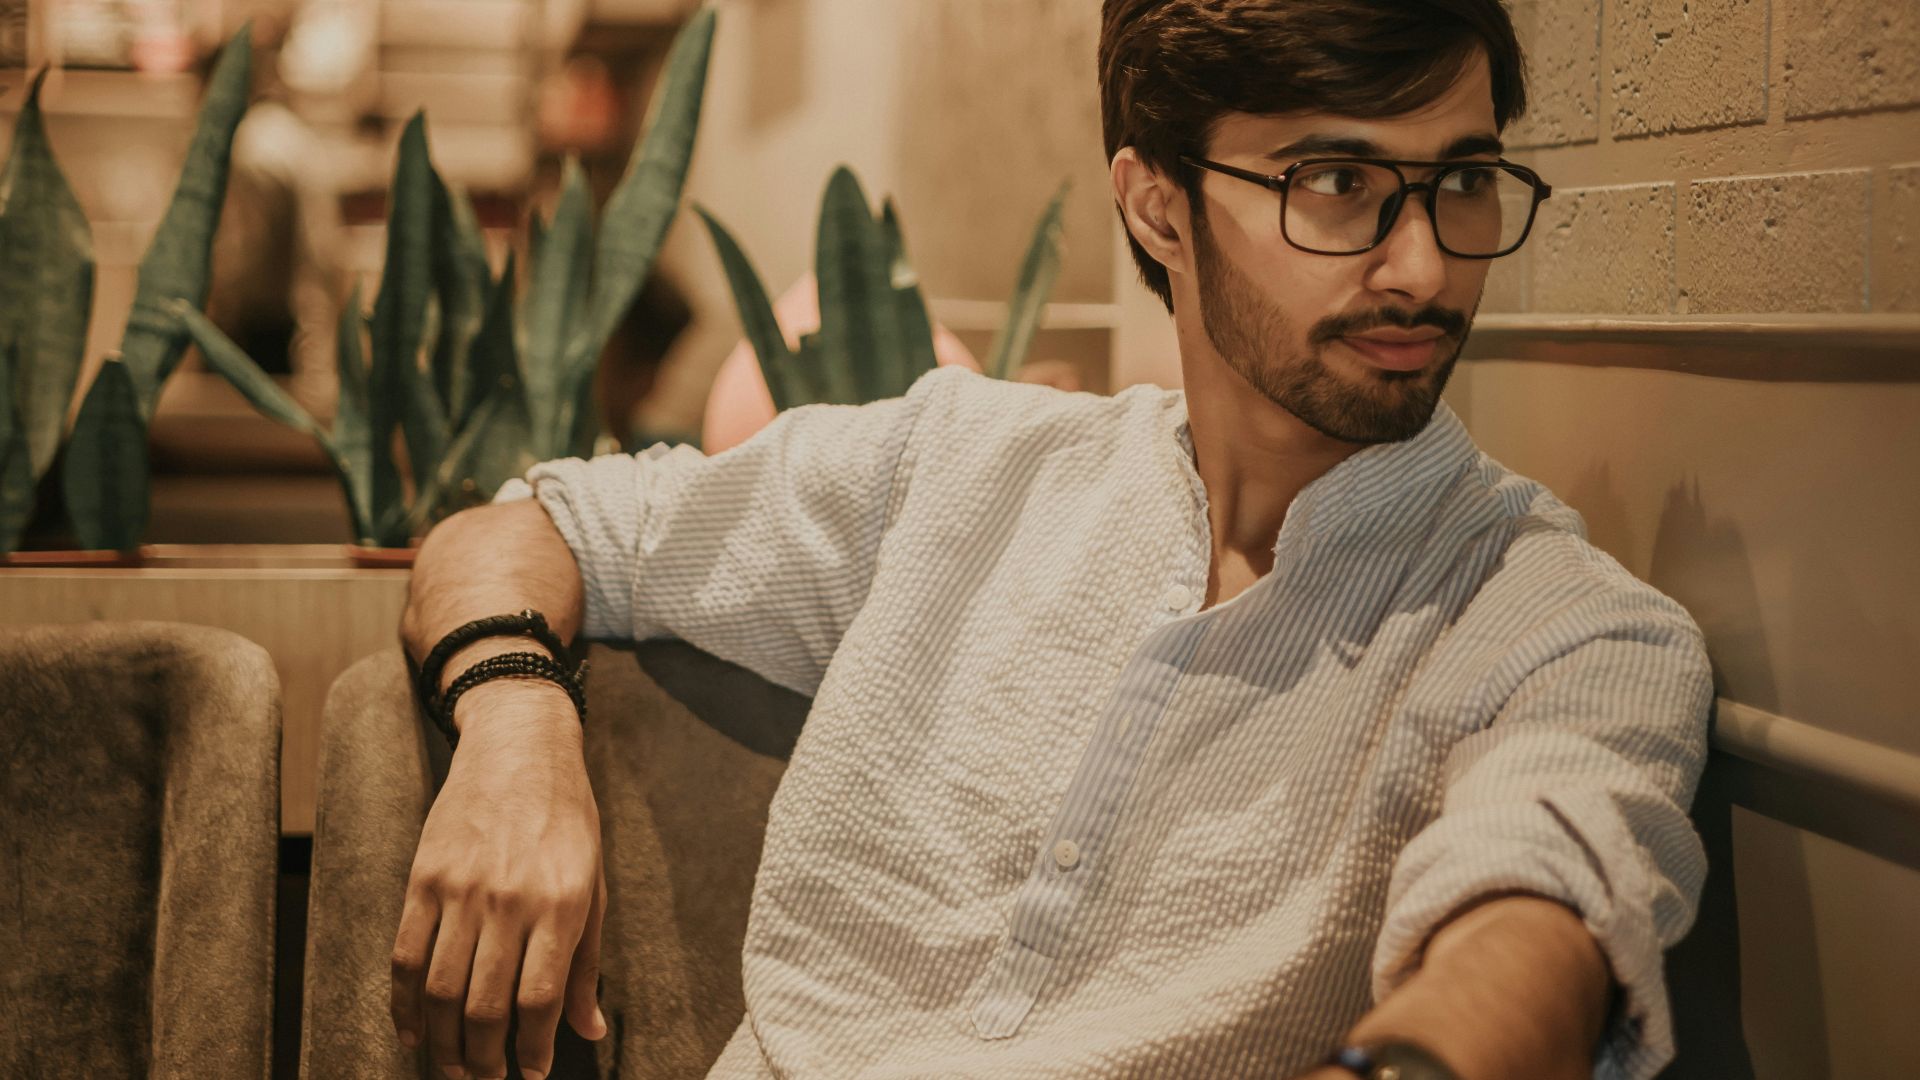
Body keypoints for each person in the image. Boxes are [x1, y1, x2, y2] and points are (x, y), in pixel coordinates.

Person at [389, 2, 1713, 1078]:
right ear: (1154, 206)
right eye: (1337, 181)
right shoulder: (955, 465)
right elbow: (540, 522)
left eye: (1464, 182)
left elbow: (1540, 906)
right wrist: (513, 729)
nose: (1423, 267)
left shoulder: (1563, 621)